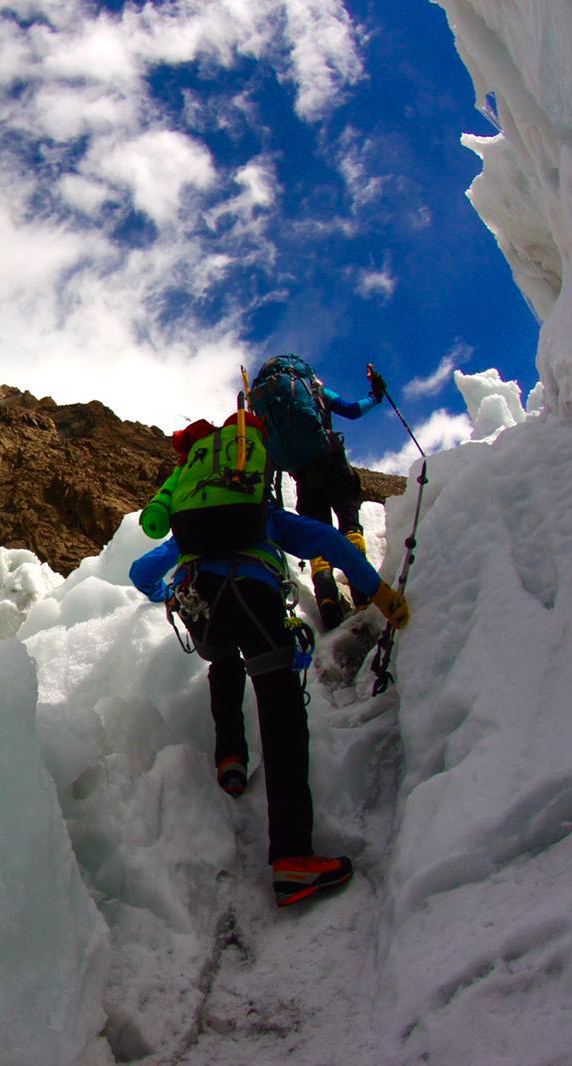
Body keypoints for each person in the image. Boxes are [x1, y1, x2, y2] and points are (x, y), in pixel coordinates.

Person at [130, 498, 410, 908]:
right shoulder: (262, 516)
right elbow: (329, 541)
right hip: (254, 596)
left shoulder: (194, 528)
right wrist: (378, 591)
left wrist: (166, 591)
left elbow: (141, 573)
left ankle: (231, 760)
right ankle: (293, 857)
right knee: (280, 706)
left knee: (223, 660)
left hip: (202, 602)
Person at [247, 355, 389, 630]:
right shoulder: (313, 388)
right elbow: (352, 410)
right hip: (333, 465)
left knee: (317, 536)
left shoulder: (266, 411)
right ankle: (362, 593)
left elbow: (268, 455)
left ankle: (327, 600)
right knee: (350, 526)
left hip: (304, 478)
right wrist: (377, 396)